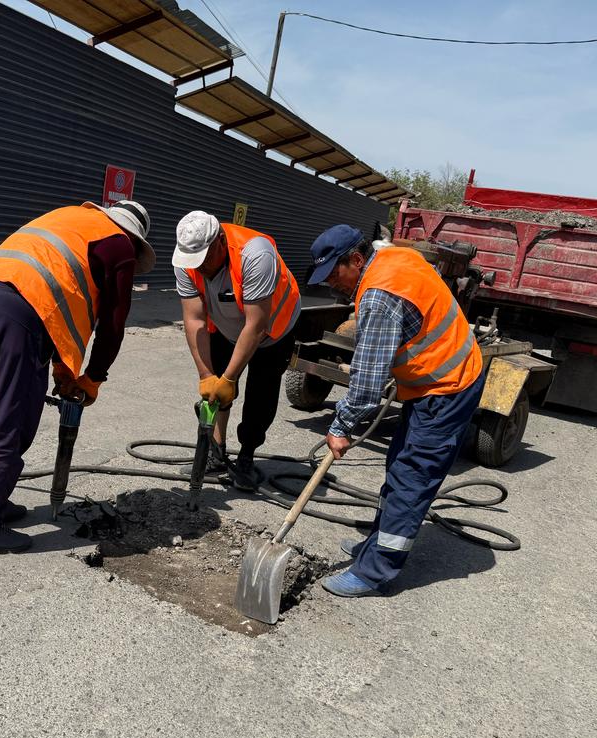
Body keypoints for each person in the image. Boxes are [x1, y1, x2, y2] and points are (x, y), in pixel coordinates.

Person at [0, 200, 155, 553]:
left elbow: (60, 299)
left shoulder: (74, 220)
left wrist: (64, 371)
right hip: (14, 314)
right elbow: (112, 324)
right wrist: (93, 378)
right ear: (136, 242)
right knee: (7, 424)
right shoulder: (120, 245)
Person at [308, 225, 484, 596]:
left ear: (357, 260)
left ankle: (375, 570)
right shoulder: (391, 257)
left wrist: (341, 427)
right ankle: (376, 543)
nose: (330, 283)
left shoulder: (379, 295)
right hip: (432, 379)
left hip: (448, 386)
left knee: (411, 475)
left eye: (334, 273)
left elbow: (367, 383)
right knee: (399, 463)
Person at [172, 211, 301, 491]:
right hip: (226, 325)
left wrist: (229, 379)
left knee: (260, 395)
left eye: (205, 258)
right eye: (194, 261)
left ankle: (246, 457)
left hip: (272, 330)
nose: (199, 267)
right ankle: (216, 454)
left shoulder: (255, 255)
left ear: (220, 240)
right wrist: (207, 375)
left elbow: (256, 326)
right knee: (216, 388)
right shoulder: (186, 258)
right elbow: (194, 319)